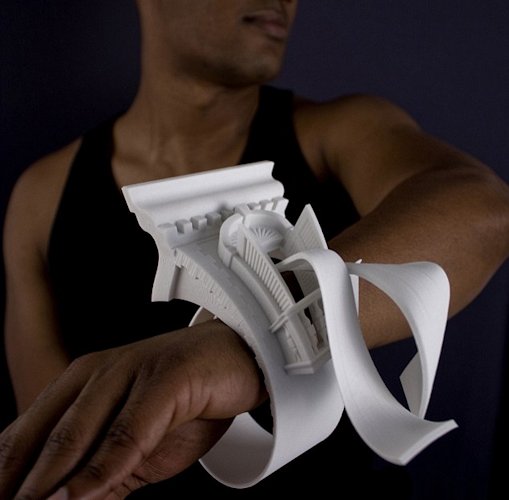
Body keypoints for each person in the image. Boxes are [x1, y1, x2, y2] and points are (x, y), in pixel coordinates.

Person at [1, 1, 509, 498]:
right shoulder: (42, 197)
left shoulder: (336, 134)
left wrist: (248, 344)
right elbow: (57, 447)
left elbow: (482, 208)